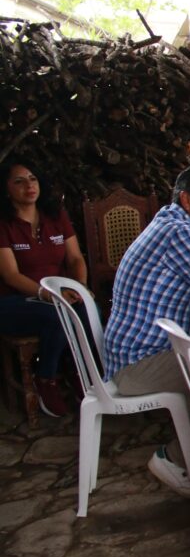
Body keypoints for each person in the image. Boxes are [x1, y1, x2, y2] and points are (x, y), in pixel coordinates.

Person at [105, 163, 190, 495]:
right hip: (140, 364)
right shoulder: (180, 233)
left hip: (138, 354)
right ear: (187, 200)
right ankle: (175, 458)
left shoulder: (174, 224)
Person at [0, 157, 89, 417]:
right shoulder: (4, 223)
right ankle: (46, 379)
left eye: (33, 178)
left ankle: (80, 373)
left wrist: (80, 287)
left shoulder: (55, 215)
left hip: (58, 293)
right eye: (19, 181)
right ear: (6, 189)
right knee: (56, 316)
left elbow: (75, 258)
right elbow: (10, 275)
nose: (28, 185)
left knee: (87, 308)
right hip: (14, 301)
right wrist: (48, 295)